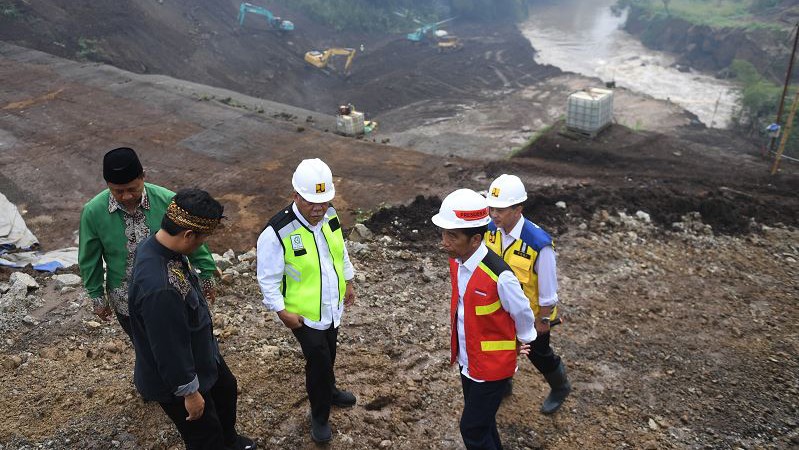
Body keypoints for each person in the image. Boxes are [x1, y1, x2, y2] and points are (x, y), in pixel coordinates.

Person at [128, 189, 255, 450]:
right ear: (188, 235)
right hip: (178, 378)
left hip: (201, 355)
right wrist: (190, 393)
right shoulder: (161, 288)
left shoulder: (158, 245)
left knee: (226, 389)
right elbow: (169, 349)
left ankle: (229, 441)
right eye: (203, 239)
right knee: (204, 436)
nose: (203, 244)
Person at [256, 158, 357, 444]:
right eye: (312, 202)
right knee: (319, 362)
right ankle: (320, 414)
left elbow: (340, 251)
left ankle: (331, 389)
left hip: (332, 306)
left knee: (330, 352)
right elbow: (268, 279)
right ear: (295, 195)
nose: (319, 209)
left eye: (324, 202)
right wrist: (281, 311)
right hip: (303, 315)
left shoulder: (330, 215)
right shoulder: (277, 231)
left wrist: (348, 281)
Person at [432, 188, 536, 450]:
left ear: (476, 239)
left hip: (492, 367)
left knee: (472, 428)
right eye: (443, 233)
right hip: (468, 361)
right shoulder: (457, 261)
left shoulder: (500, 276)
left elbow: (522, 311)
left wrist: (524, 339)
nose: (444, 241)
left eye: (452, 236)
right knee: (485, 422)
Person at [78, 147, 218, 339]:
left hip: (175, 290)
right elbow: (89, 258)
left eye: (132, 189)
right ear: (107, 184)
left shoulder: (168, 201)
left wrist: (207, 274)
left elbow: (193, 239)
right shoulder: (93, 212)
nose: (126, 196)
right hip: (126, 299)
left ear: (143, 176)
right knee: (147, 348)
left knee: (188, 340)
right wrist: (97, 297)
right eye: (118, 191)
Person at [484, 174, 571, 414]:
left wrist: (543, 319)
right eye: (492, 207)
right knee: (502, 350)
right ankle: (504, 384)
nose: (494, 214)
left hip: (532, 315)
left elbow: (548, 290)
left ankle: (561, 386)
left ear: (518, 209)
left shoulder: (538, 243)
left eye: (500, 209)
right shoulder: (490, 231)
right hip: (501, 310)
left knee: (539, 354)